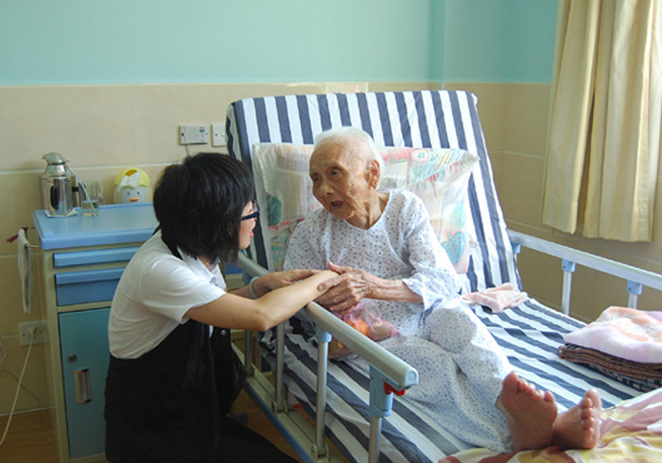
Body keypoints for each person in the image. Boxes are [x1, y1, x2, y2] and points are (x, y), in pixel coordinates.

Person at [283, 127, 602, 454]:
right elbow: (291, 293)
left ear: (372, 174)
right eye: (316, 178)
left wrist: (373, 286)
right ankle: (513, 434)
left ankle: (516, 400)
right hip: (373, 334)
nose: (323, 189)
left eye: (334, 174)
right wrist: (328, 300)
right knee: (433, 366)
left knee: (462, 326)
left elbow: (443, 280)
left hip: (426, 309)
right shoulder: (313, 232)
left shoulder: (404, 208)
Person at [104, 153, 336, 463]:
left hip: (185, 417)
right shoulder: (161, 270)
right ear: (217, 221)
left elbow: (209, 306)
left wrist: (258, 286)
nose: (255, 217)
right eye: (248, 211)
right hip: (150, 431)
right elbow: (261, 317)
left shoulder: (192, 245)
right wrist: (325, 277)